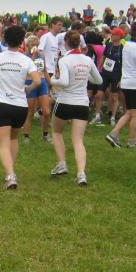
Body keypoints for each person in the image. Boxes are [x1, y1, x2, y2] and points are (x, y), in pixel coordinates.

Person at [0, 25, 40, 189]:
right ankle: (10, 172)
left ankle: (10, 175)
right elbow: (37, 81)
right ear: (22, 41)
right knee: (13, 139)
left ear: (5, 40)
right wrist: (27, 89)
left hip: (2, 105)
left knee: (3, 144)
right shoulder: (26, 60)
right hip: (20, 106)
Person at [50, 30, 103, 186]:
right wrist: (85, 76)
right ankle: (81, 174)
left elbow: (64, 82)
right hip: (82, 104)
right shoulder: (87, 60)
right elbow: (98, 80)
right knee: (78, 140)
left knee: (56, 132)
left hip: (65, 102)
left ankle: (62, 164)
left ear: (66, 42)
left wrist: (53, 80)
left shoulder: (64, 60)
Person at [105, 22, 136, 150]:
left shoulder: (127, 45)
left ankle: (113, 134)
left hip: (126, 82)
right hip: (135, 83)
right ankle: (132, 142)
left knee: (129, 112)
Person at [22, 35, 52, 143]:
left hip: (42, 82)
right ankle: (26, 136)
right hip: (30, 82)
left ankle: (45, 134)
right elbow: (25, 70)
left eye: (36, 45)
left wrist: (50, 83)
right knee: (30, 112)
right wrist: (33, 57)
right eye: (32, 44)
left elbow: (45, 71)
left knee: (47, 111)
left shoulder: (41, 55)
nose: (34, 47)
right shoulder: (24, 56)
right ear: (27, 45)